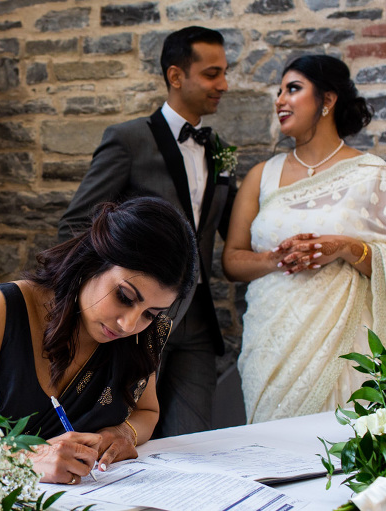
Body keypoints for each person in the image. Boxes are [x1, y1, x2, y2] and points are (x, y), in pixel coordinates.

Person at [0, 197, 197, 484]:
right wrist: (20, 459)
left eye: (151, 313)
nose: (129, 324)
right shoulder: (2, 310)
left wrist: (123, 433)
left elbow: (147, 411)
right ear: (94, 261)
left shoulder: (143, 336)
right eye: (124, 297)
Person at [222, 55, 386, 424]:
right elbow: (233, 260)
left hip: (346, 345)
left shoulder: (370, 175)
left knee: (343, 452)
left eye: (294, 89)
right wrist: (276, 259)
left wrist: (344, 248)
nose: (280, 100)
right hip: (273, 345)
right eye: (279, 91)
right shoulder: (262, 176)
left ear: (328, 100)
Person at [57, 26, 236, 437]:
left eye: (224, 73)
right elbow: (76, 223)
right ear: (176, 76)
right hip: (133, 320)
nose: (223, 85)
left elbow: (222, 227)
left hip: (198, 326)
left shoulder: (222, 149)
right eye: (212, 74)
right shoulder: (128, 139)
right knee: (123, 434)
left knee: (193, 440)